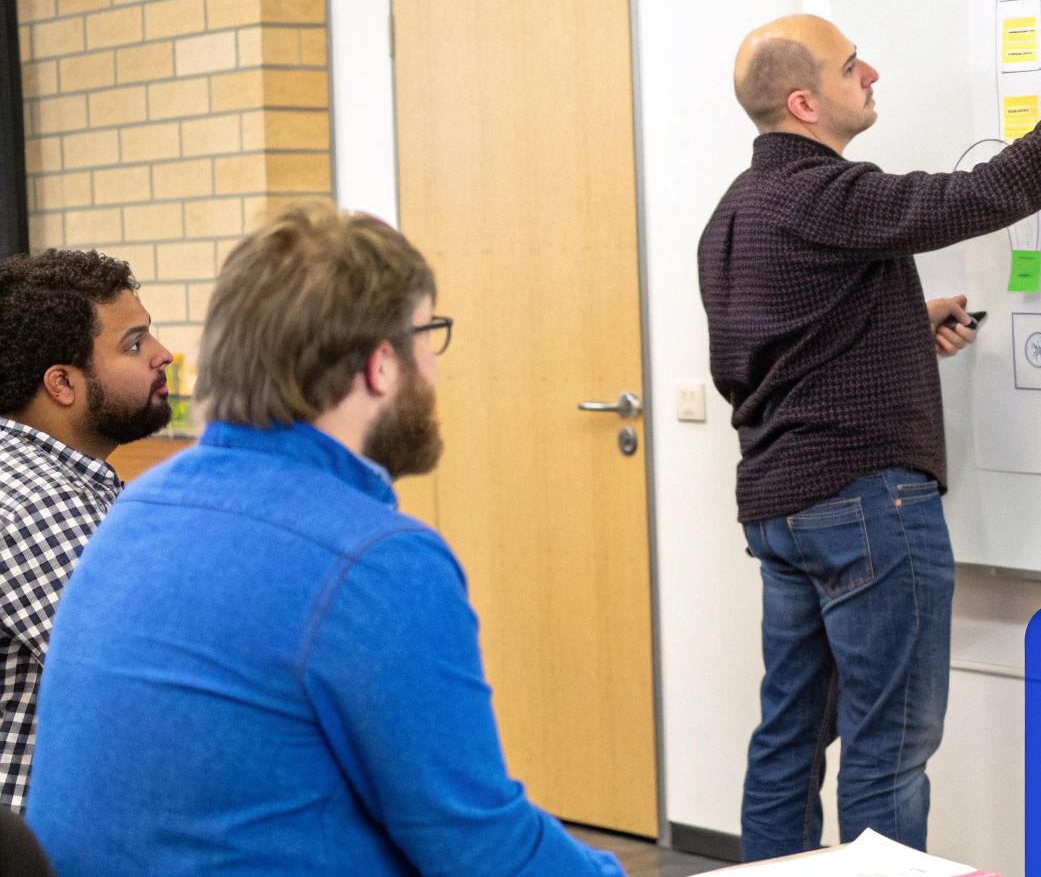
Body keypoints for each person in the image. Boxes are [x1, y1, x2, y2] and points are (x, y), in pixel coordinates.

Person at [26, 206, 624, 877]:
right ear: (379, 366)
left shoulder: (139, 507)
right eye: (426, 335)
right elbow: (482, 851)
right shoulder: (375, 559)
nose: (434, 363)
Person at [699, 13, 1041, 858]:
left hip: (783, 510)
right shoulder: (825, 194)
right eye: (852, 67)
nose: (872, 72)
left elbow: (768, 357)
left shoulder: (734, 216)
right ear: (805, 103)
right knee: (889, 753)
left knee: (788, 743)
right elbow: (990, 192)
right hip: (864, 506)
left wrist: (901, 324)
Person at [0, 250, 171, 813]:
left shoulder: (50, 475)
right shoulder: (39, 501)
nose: (162, 355)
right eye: (134, 343)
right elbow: (155, 682)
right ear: (62, 384)